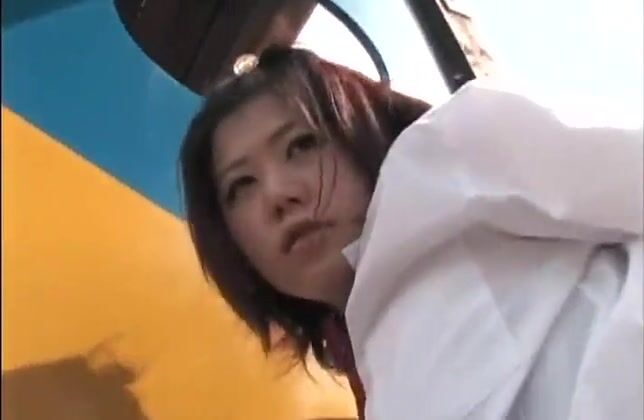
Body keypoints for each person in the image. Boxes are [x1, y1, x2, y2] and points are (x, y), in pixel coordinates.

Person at [180, 45, 643, 419]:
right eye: (241, 185)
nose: (278, 194)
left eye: (301, 145)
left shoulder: (450, 151)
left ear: (356, 127)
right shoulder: (373, 383)